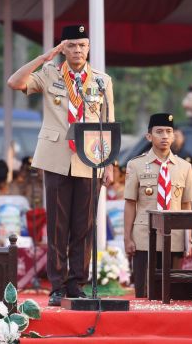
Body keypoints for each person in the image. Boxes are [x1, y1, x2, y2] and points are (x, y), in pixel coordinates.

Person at [7, 24, 115, 306]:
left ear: (88, 48)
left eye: (82, 45)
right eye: (71, 45)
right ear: (63, 49)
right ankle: (56, 285)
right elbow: (15, 83)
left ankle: (76, 282)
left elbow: (108, 124)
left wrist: (110, 165)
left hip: (90, 159)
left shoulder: (102, 81)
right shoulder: (49, 74)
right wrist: (44, 57)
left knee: (84, 225)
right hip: (55, 156)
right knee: (57, 225)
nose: (77, 50)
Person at [123, 113, 192, 297]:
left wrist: (188, 238)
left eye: (169, 131)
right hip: (144, 237)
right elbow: (130, 204)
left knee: (173, 293)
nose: (164, 136)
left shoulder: (184, 167)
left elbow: (186, 206)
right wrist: (127, 237)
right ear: (149, 136)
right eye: (159, 131)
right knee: (144, 292)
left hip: (175, 238)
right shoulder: (135, 165)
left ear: (174, 136)